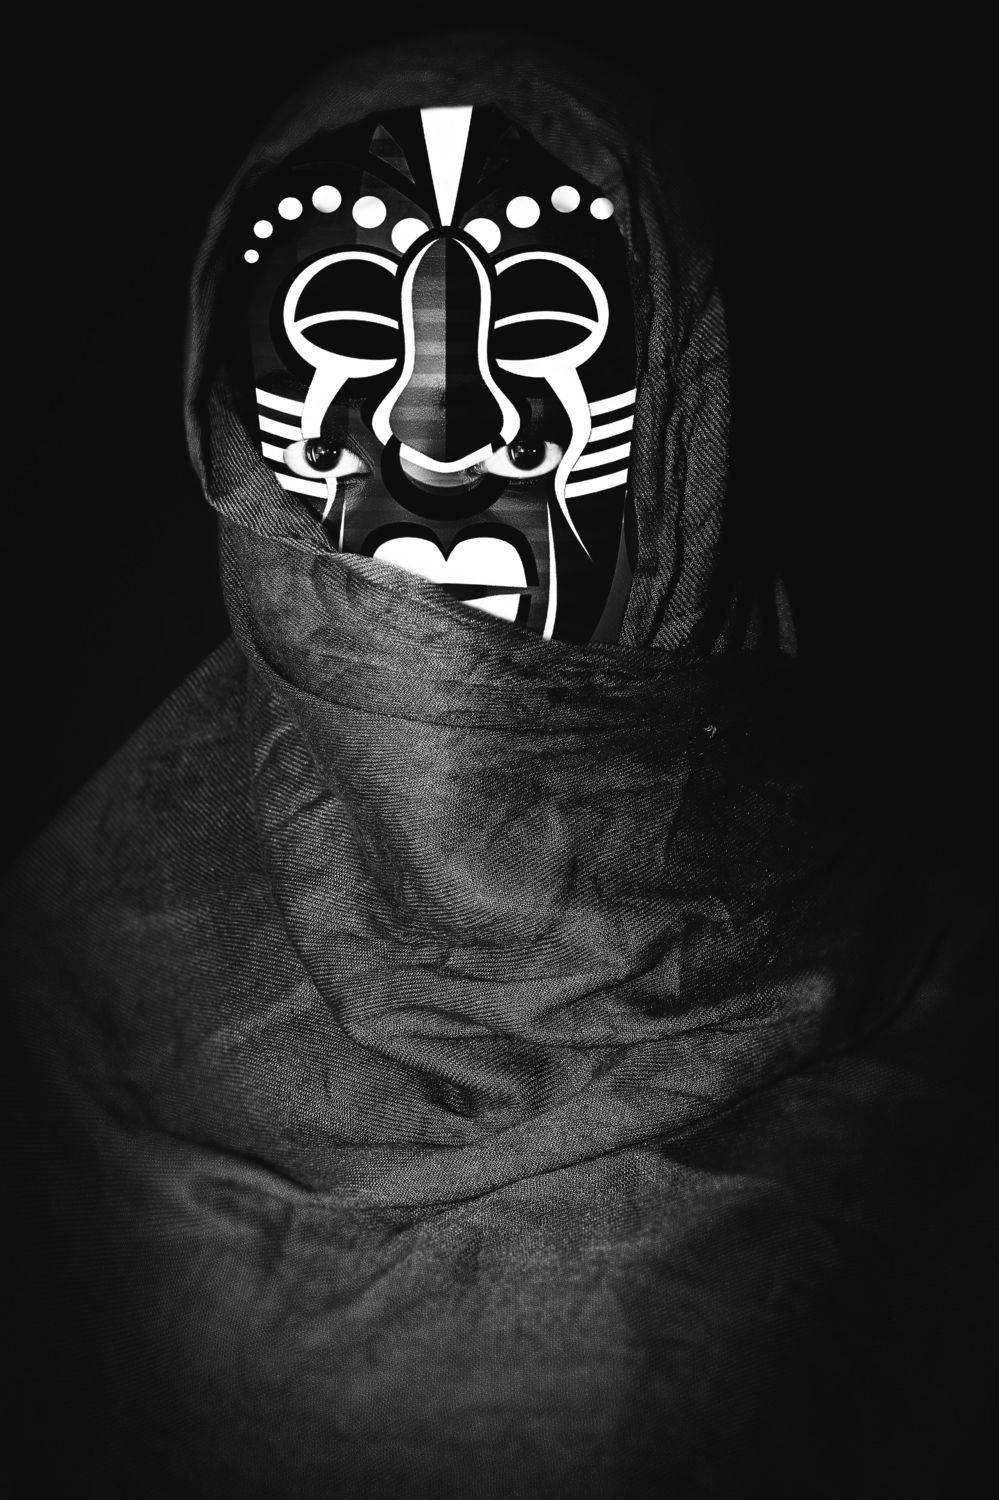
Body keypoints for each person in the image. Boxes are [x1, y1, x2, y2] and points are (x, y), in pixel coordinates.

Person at [5, 34, 992, 1498]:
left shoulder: (943, 997)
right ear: (231, 424)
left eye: (543, 320)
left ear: (690, 418)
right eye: (344, 318)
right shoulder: (58, 993)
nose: (442, 428)